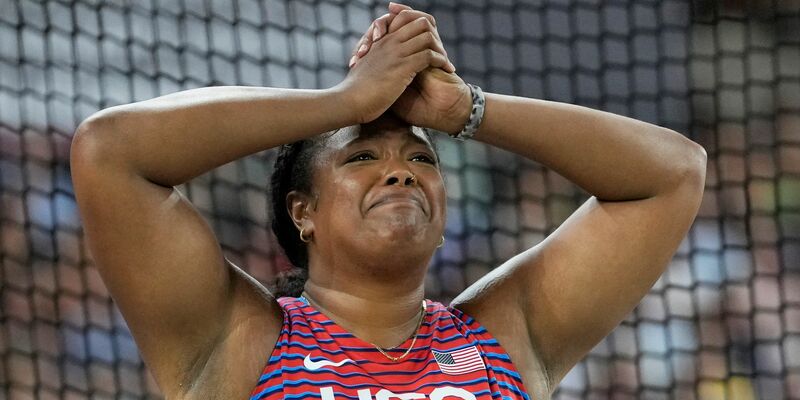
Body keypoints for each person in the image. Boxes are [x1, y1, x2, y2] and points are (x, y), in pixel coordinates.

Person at [69, 3, 707, 399]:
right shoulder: (241, 338)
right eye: (362, 157)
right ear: (303, 212)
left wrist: (466, 110)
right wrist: (343, 103)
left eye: (422, 159)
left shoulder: (501, 337)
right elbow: (111, 151)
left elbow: (674, 171)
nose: (401, 174)